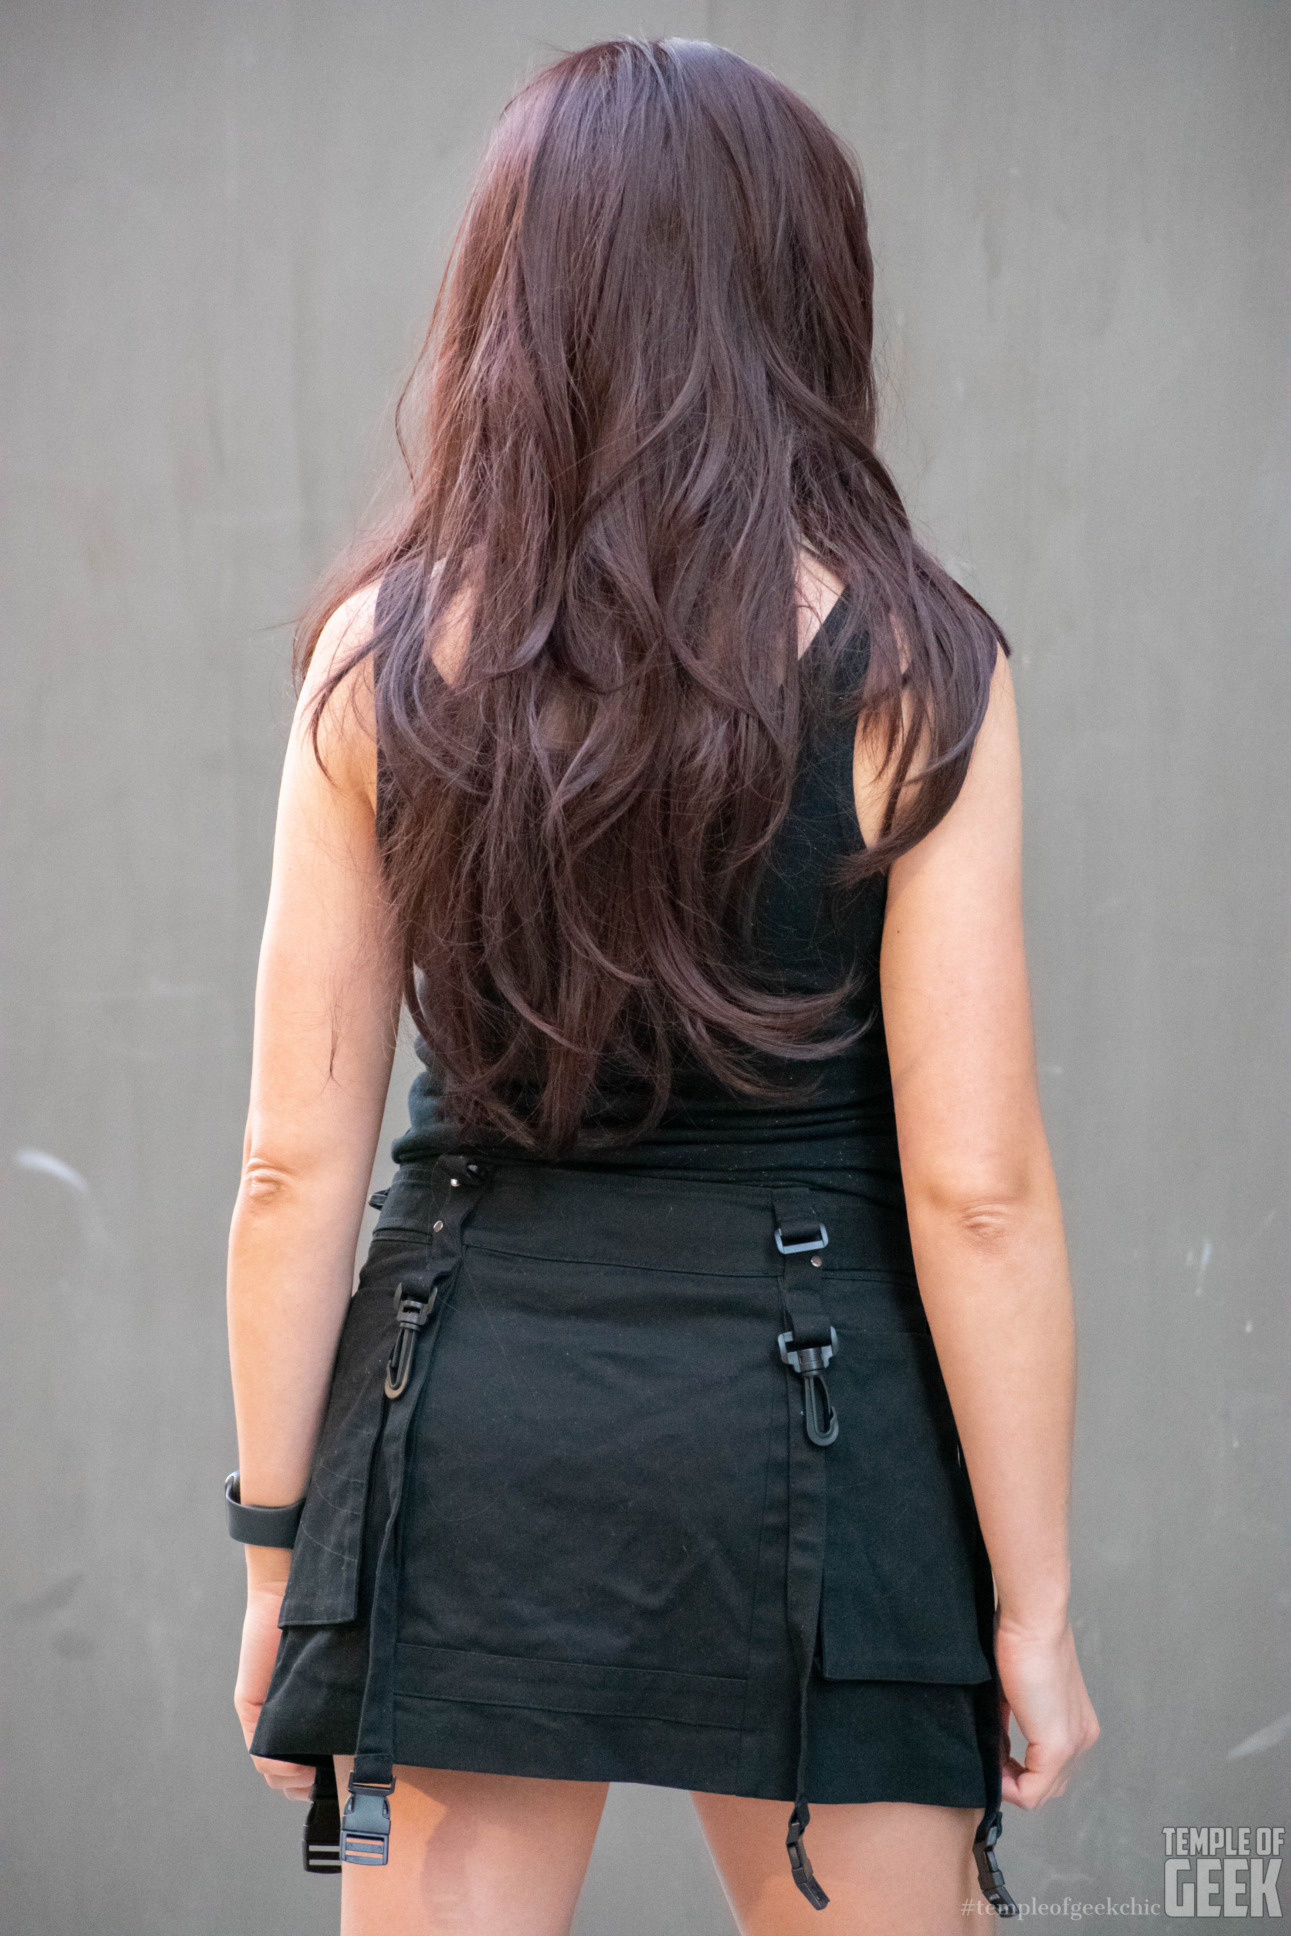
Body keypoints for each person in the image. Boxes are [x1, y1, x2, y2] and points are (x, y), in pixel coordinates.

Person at [224, 37, 1098, 1936]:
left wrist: (282, 1558)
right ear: (805, 291)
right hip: (817, 1447)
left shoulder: (377, 659)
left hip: (464, 1431)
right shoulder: (916, 662)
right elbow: (978, 1192)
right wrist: (1029, 1610)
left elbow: (294, 1165)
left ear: (509, 297)